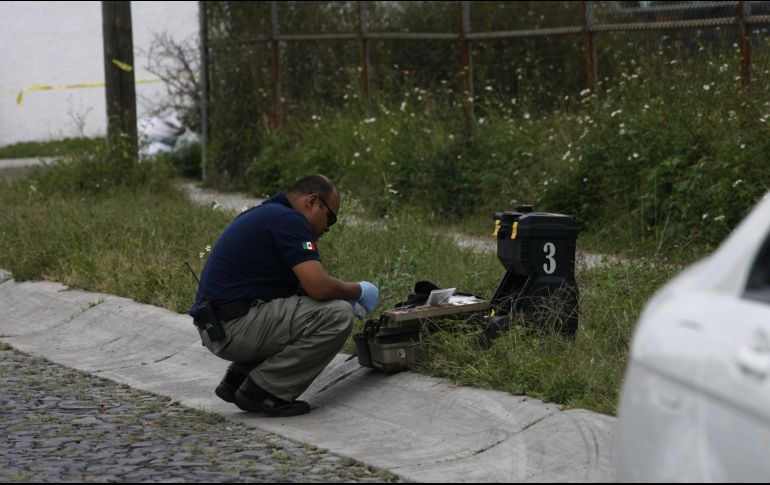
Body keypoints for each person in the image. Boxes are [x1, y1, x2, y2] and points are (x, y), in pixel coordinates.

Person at [189, 174, 379, 417]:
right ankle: (264, 391)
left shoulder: (268, 214)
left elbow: (299, 293)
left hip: (219, 327)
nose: (328, 228)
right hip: (234, 328)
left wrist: (339, 293)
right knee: (337, 315)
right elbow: (318, 286)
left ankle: (238, 378)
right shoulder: (290, 221)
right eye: (330, 218)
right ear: (312, 202)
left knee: (309, 309)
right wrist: (359, 290)